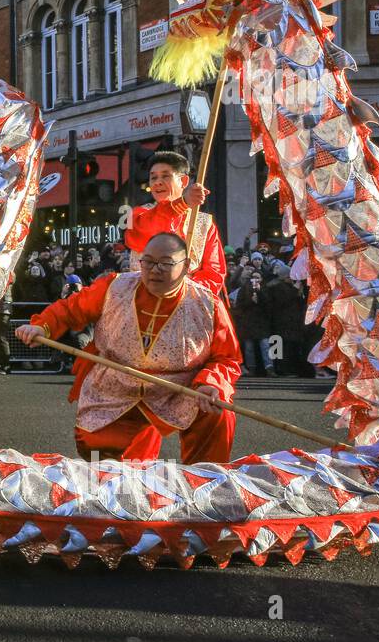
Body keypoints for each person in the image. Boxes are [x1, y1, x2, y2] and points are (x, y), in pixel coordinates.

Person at [16, 232, 241, 464]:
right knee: (95, 446)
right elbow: (72, 308)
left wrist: (211, 383)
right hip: (117, 383)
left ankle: (204, 483)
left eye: (165, 263)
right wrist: (42, 327)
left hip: (180, 388)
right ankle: (128, 477)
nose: (154, 269)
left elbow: (227, 358)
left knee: (218, 413)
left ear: (186, 267)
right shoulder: (115, 285)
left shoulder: (208, 304)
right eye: (148, 261)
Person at [122, 151, 226, 295]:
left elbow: (214, 272)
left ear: (183, 181)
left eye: (165, 176)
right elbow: (144, 230)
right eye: (153, 178)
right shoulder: (139, 214)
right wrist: (183, 203)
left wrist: (185, 292)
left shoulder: (204, 223)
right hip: (144, 299)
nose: (158, 182)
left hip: (189, 301)